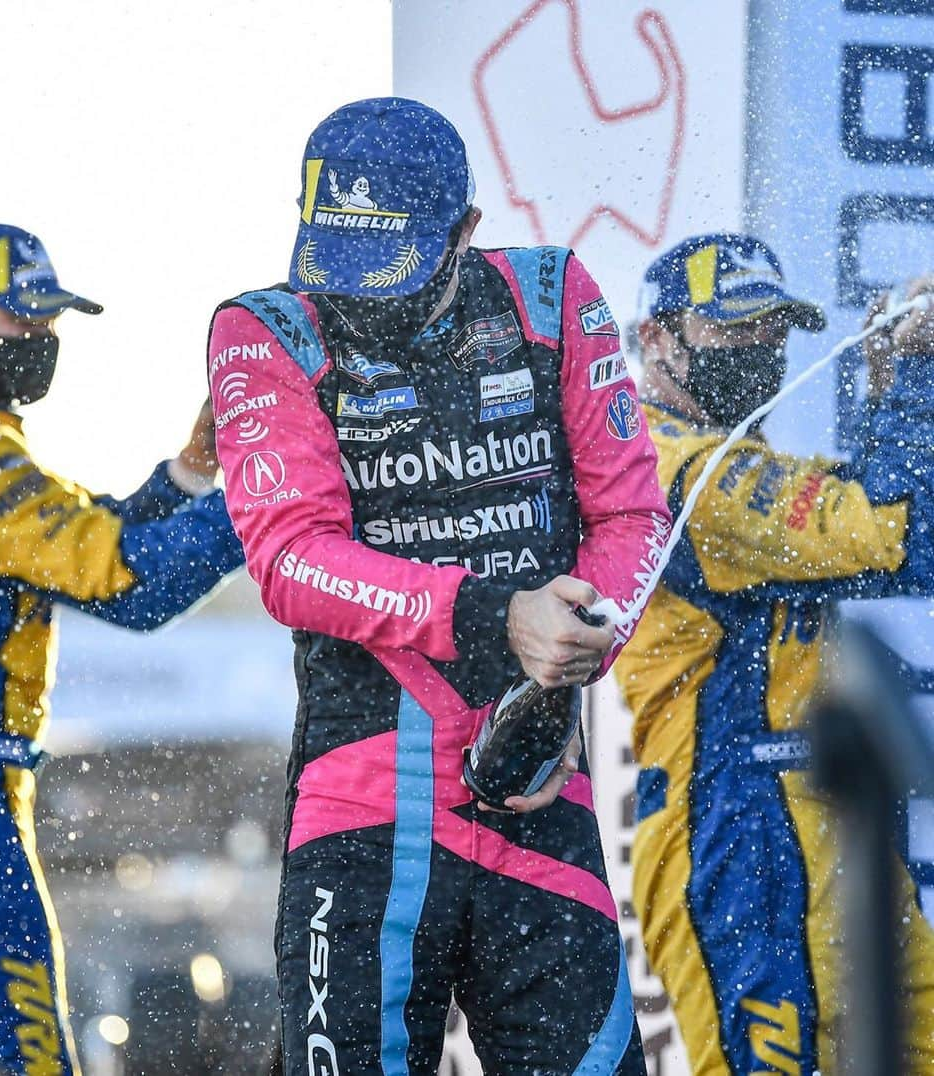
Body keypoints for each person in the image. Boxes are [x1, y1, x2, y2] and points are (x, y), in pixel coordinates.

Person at [207, 97, 671, 1075]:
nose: (361, 302)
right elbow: (291, 557)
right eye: (339, 265)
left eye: (388, 271)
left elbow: (633, 518)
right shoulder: (264, 329)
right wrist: (499, 616)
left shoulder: (551, 297)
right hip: (365, 807)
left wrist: (579, 636)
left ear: (466, 231)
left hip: (535, 786)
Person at [0, 220, 244, 1074]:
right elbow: (130, 585)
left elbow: (81, 541)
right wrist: (270, 486)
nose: (39, 340)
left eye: (49, 320)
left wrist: (192, 472)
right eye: (17, 318)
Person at [613, 233, 934, 1074]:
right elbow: (894, 532)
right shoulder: (668, 468)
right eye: (734, 332)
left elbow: (870, 526)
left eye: (773, 333)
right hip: (731, 823)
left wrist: (887, 378)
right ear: (656, 337)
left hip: (818, 816)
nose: (760, 353)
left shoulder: (741, 462)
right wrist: (915, 369)